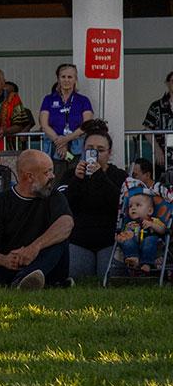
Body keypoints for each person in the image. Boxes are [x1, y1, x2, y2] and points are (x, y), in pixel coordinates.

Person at [0, 149, 72, 288]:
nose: (52, 176)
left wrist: (34, 248)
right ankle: (26, 281)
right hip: (12, 264)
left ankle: (25, 279)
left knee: (59, 241)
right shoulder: (1, 201)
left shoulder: (54, 195)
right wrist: (5, 260)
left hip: (44, 261)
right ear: (29, 177)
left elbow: (66, 223)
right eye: (47, 172)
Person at [57, 120, 126, 281]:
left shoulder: (119, 176)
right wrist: (76, 181)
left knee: (110, 277)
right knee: (75, 275)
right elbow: (63, 205)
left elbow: (121, 204)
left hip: (109, 240)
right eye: (90, 149)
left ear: (109, 153)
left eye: (100, 150)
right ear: (83, 151)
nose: (94, 154)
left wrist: (100, 177)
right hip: (79, 239)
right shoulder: (70, 175)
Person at [39, 63, 94, 169]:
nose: (66, 80)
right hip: (55, 147)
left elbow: (87, 125)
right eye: (63, 77)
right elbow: (44, 124)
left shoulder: (83, 100)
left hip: (77, 147)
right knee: (56, 179)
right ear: (58, 79)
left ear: (75, 79)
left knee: (76, 177)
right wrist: (59, 142)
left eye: (70, 77)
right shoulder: (49, 99)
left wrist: (66, 139)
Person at [142, 71, 173, 177]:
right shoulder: (156, 106)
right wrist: (157, 150)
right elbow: (147, 130)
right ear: (168, 83)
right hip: (164, 158)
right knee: (163, 188)